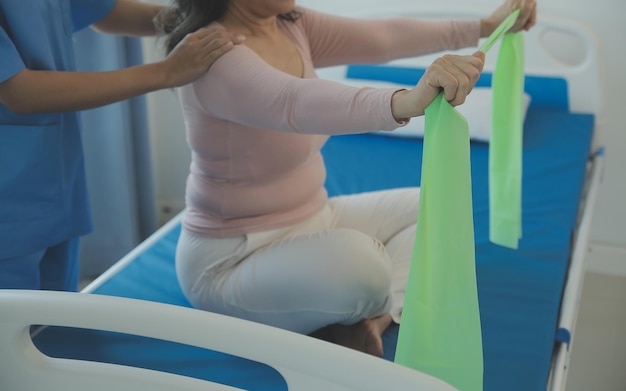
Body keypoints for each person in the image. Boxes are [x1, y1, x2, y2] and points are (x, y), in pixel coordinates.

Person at [159, 0, 537, 356]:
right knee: (364, 265)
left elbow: (383, 38)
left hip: (314, 218)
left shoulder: (289, 24)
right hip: (232, 259)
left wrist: (485, 27)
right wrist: (405, 101)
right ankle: (356, 303)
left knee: (438, 207)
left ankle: (370, 319)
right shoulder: (213, 54)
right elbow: (293, 102)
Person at [0, 0, 243, 291]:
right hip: (11, 198)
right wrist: (167, 72)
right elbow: (18, 91)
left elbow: (102, 11)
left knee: (53, 320)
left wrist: (211, 18)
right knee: (13, 321)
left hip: (51, 178)